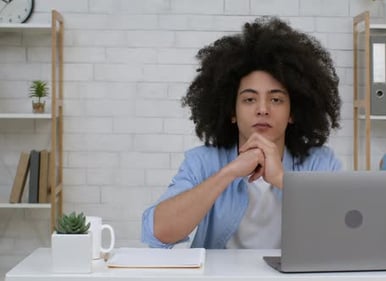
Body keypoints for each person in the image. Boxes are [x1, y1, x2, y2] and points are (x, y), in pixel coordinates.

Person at [141, 16, 342, 249]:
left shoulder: (320, 163)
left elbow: (346, 229)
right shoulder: (202, 162)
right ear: (232, 111)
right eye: (249, 99)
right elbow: (160, 231)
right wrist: (227, 173)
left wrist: (281, 179)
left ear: (292, 113)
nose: (263, 110)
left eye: (276, 99)